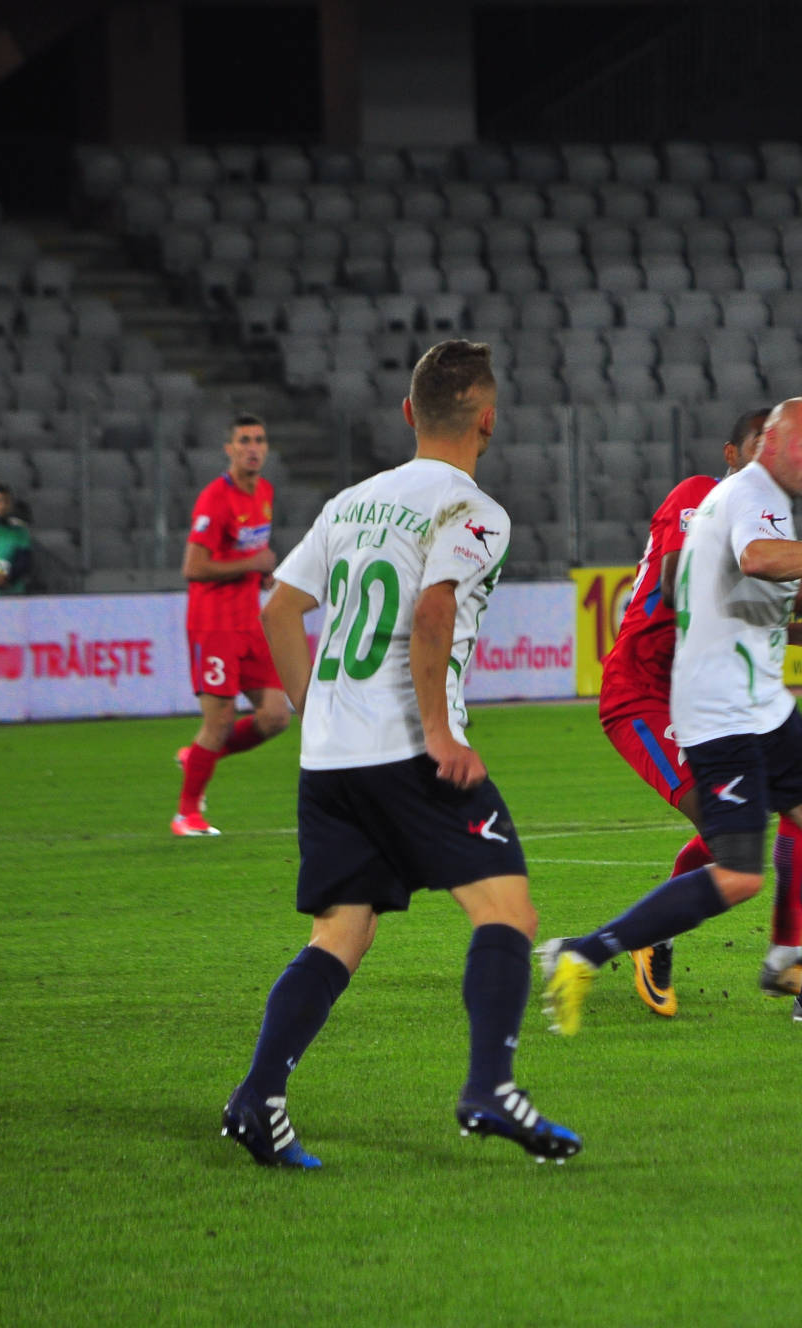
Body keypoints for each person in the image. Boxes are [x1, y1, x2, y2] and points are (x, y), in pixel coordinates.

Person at [220, 339, 580, 1168]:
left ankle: (257, 1097)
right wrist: (441, 733)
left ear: (410, 413)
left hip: (333, 757)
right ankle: (489, 1086)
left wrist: (317, 708)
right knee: (508, 915)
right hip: (412, 752)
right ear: (487, 421)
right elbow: (432, 611)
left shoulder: (351, 502)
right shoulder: (472, 510)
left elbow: (280, 609)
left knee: (341, 932)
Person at [541, 397, 802, 1030]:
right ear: (758, 448)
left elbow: (716, 596)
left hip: (753, 701)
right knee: (736, 862)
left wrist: (794, 627)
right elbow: (737, 566)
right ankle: (606, 947)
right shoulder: (730, 496)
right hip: (680, 700)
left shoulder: (755, 506)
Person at [599, 407, 802, 1017]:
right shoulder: (698, 496)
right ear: (734, 454)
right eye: (759, 445)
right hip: (642, 694)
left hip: (703, 691)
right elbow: (677, 581)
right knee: (726, 826)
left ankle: (787, 959)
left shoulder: (754, 519)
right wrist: (793, 593)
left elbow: (723, 621)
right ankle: (644, 935)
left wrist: (801, 629)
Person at [172, 413, 292, 837]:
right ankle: (186, 813)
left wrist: (260, 575)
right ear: (230, 449)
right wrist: (253, 563)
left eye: (259, 439)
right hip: (213, 624)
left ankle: (199, 758)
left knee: (276, 715)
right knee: (219, 720)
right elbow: (194, 566)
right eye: (244, 441)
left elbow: (247, 551)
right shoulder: (214, 499)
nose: (253, 447)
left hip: (249, 622)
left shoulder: (264, 492)